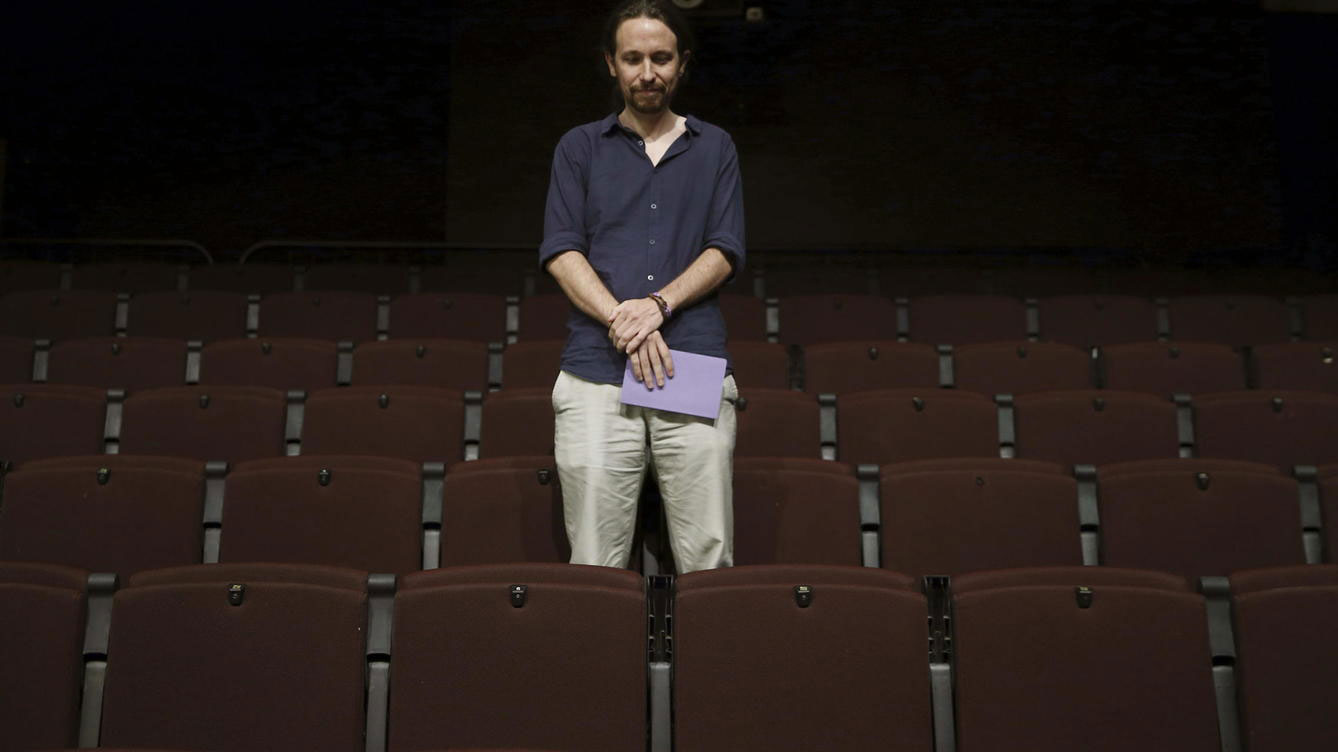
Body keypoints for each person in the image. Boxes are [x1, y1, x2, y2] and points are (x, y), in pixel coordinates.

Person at [538, 0, 745, 573]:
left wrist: (658, 305)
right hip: (595, 372)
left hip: (690, 364)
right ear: (612, 63)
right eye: (633, 58)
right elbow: (561, 250)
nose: (647, 71)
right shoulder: (578, 148)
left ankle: (713, 663)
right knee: (596, 560)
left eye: (661, 58)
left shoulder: (715, 147)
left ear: (682, 64)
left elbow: (725, 249)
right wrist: (623, 322)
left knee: (707, 553)